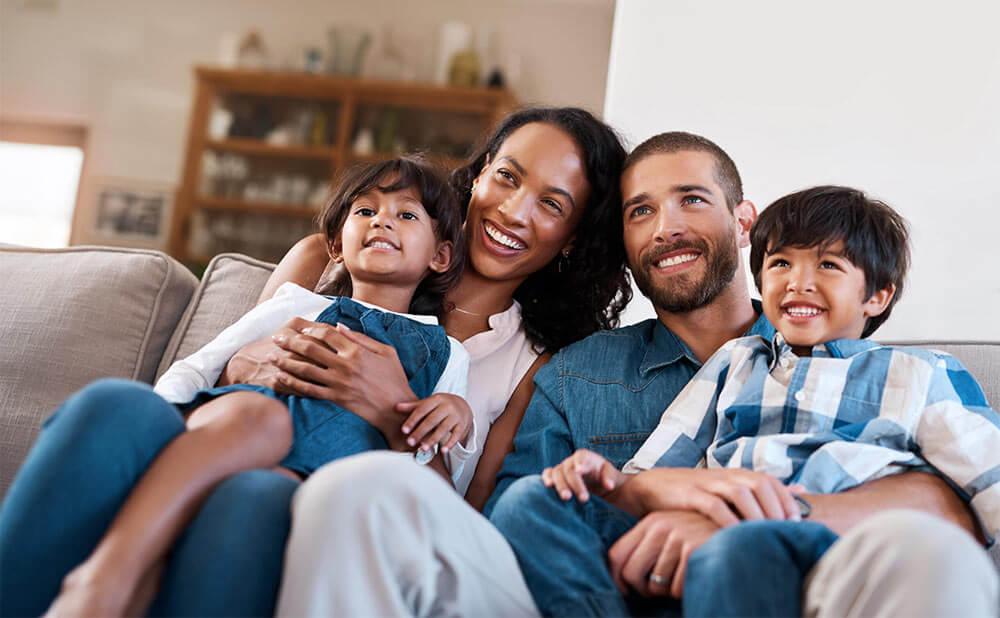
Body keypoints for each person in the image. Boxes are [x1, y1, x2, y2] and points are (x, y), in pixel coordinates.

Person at [274, 130, 996, 618]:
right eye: (639, 211)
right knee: (383, 491)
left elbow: (967, 497)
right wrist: (658, 489)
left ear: (744, 220)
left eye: (691, 200)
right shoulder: (578, 373)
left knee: (925, 546)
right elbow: (523, 532)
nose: (665, 228)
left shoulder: (894, 369)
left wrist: (749, 514)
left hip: (798, 577)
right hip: (590, 590)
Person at [0, 156, 473, 618]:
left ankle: (145, 578)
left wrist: (454, 413)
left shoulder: (450, 355)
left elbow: (433, 468)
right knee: (259, 419)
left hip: (316, 472)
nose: (381, 223)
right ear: (335, 246)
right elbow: (200, 367)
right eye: (365, 211)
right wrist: (165, 420)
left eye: (406, 215)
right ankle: (103, 577)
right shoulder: (296, 303)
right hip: (235, 424)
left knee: (274, 492)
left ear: (440, 255)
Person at [541, 185, 1000, 617]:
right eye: (781, 264)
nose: (798, 283)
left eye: (828, 266)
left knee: (737, 549)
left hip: (844, 552)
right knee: (532, 502)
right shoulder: (738, 360)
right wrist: (609, 483)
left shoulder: (918, 373)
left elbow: (989, 475)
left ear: (877, 296)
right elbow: (659, 468)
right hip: (724, 549)